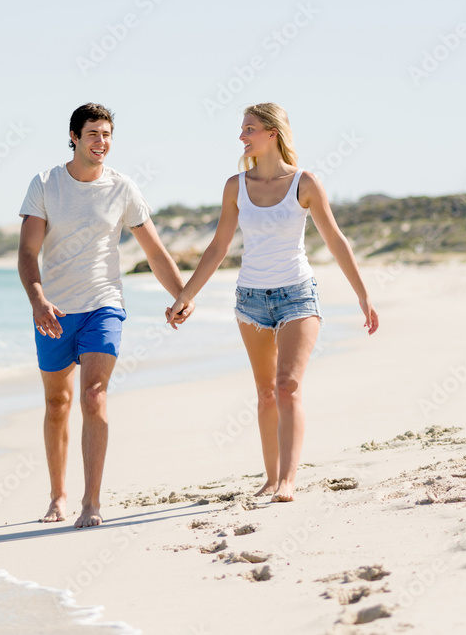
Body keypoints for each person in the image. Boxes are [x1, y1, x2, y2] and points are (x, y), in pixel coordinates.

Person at [166, 103, 378, 502]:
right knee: (265, 392)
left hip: (297, 294)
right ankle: (270, 477)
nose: (242, 136)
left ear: (272, 134)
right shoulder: (235, 186)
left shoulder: (305, 182)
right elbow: (217, 248)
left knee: (287, 385)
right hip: (250, 299)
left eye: (249, 129)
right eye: (242, 129)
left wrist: (363, 295)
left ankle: (289, 480)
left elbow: (335, 240)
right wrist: (184, 296)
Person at [19, 103, 193, 528]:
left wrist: (181, 296)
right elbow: (27, 252)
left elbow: (153, 250)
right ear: (74, 137)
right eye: (94, 133)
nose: (102, 141)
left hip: (104, 304)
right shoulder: (45, 184)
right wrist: (38, 299)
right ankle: (57, 495)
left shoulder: (123, 188)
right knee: (57, 402)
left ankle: (91, 502)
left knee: (93, 396)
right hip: (55, 309)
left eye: (108, 134)